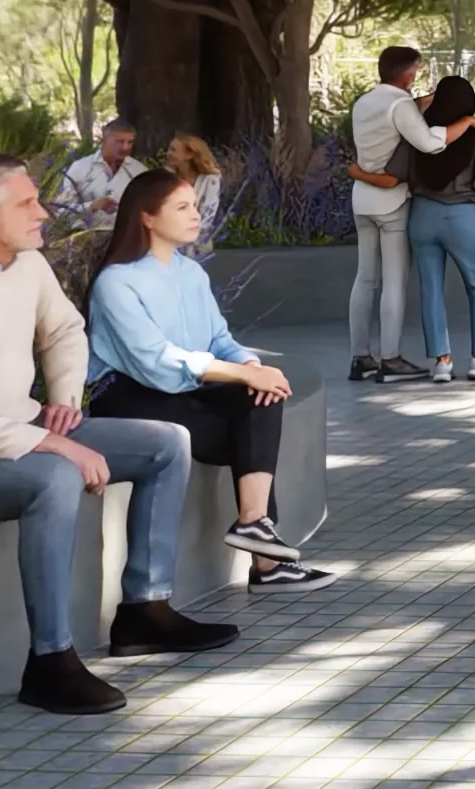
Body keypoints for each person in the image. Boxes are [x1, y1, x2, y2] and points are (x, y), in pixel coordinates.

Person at [0, 153, 238, 715]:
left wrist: (62, 400)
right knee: (54, 478)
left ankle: (145, 611)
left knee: (165, 443)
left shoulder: (26, 265)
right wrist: (50, 441)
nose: (44, 210)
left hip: (9, 430)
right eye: (26, 203)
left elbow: (63, 329)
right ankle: (50, 662)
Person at [85, 171, 335, 593]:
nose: (195, 215)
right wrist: (243, 373)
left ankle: (256, 532)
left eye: (194, 205)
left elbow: (220, 340)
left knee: (261, 399)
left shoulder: (191, 273)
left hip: (183, 391)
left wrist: (251, 365)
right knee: (248, 412)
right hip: (129, 397)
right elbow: (156, 362)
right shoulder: (116, 281)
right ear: (146, 217)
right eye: (181, 207)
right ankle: (267, 561)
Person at [351, 77, 475, 383]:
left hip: (421, 217)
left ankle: (441, 363)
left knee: (431, 290)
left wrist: (354, 172)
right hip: (461, 218)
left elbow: (391, 179)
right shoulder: (474, 140)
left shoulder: (415, 139)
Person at [52, 118, 147, 218]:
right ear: (104, 138)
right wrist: (92, 206)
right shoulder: (80, 168)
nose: (125, 147)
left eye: (130, 142)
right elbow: (60, 210)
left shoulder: (139, 171)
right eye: (120, 141)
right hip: (85, 232)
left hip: (126, 233)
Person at [165, 134, 222, 258]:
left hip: (197, 248)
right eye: (169, 149)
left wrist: (182, 236)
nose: (168, 153)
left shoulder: (210, 180)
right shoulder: (165, 178)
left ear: (189, 155)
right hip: (167, 247)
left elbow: (208, 216)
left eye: (173, 150)